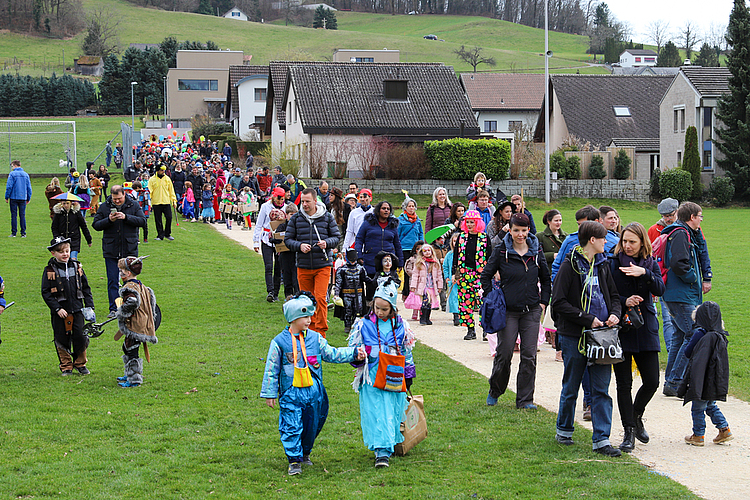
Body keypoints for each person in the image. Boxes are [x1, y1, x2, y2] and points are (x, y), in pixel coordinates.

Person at [261, 293, 365, 476]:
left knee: (312, 424)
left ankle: (305, 452)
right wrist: (270, 393)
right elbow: (271, 368)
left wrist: (353, 353)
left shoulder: (315, 339)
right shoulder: (279, 342)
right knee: (291, 424)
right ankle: (294, 459)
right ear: (293, 318)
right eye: (306, 317)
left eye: (311, 316)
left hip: (314, 392)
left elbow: (332, 353)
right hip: (291, 393)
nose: (310, 320)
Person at [552, 221, 622, 457]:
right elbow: (559, 303)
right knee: (571, 384)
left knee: (601, 388)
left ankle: (602, 439)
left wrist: (615, 313)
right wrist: (585, 318)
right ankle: (564, 430)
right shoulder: (569, 266)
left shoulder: (603, 265)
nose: (607, 242)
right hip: (575, 335)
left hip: (602, 336)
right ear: (592, 240)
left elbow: (613, 295)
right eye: (603, 238)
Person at [483, 213, 550, 409]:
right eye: (516, 230)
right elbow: (486, 276)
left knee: (529, 356)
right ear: (509, 230)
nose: (520, 234)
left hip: (531, 311)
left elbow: (546, 280)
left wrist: (543, 303)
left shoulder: (536, 252)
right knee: (504, 354)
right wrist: (492, 298)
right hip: (508, 312)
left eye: (523, 230)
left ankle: (525, 400)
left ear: (529, 230)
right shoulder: (502, 251)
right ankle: (495, 390)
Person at [348, 279, 416, 468]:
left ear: (392, 308)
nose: (379, 312)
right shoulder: (363, 325)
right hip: (371, 376)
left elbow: (406, 350)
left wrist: (408, 374)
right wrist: (358, 355)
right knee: (375, 411)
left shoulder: (401, 325)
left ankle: (388, 444)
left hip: (393, 375)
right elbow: (353, 348)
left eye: (384, 309)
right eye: (377, 307)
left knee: (391, 411)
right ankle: (381, 451)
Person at [609, 222, 665, 453]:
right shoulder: (612, 264)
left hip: (646, 327)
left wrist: (646, 274)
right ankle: (628, 430)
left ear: (642, 242)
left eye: (632, 241)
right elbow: (606, 293)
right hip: (623, 328)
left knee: (652, 381)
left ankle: (636, 414)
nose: (628, 246)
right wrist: (624, 301)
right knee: (624, 384)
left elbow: (661, 289)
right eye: (624, 241)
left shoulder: (650, 264)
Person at [662, 202, 713, 397]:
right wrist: (694, 279)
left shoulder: (686, 232)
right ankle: (675, 382)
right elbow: (679, 264)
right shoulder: (681, 234)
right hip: (681, 294)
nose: (701, 219)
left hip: (677, 293)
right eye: (700, 216)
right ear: (692, 217)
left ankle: (671, 382)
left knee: (678, 337)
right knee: (693, 333)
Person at [284, 188, 340, 337]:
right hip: (303, 265)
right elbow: (288, 240)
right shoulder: (296, 218)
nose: (304, 204)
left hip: (322, 264)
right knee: (306, 300)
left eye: (307, 201)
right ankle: (309, 330)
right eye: (302, 201)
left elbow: (336, 237)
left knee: (321, 298)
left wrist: (326, 243)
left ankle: (321, 331)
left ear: (315, 201)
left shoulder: (327, 217)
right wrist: (299, 246)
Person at [681, 301, 733, 447]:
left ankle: (698, 435)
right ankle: (724, 429)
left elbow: (687, 352)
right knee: (710, 404)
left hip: (701, 377)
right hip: (714, 378)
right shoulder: (721, 335)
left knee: (698, 407)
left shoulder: (700, 334)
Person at [41, 236, 95, 375]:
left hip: (77, 309)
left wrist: (89, 306)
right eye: (61, 252)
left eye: (67, 250)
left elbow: (86, 288)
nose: (65, 254)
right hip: (60, 311)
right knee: (61, 337)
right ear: (53, 253)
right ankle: (66, 366)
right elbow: (46, 292)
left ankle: (80, 363)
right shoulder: (49, 270)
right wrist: (57, 308)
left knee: (80, 336)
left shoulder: (77, 266)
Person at [92, 185, 147, 316]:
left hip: (129, 249)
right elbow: (96, 225)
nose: (117, 201)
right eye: (114, 199)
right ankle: (114, 308)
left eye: (119, 199)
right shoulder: (105, 206)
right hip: (111, 250)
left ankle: (131, 306)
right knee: (112, 280)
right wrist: (109, 220)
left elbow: (142, 221)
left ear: (124, 195)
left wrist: (126, 217)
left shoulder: (133, 205)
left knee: (130, 281)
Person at [115, 256, 158, 388]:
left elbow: (132, 302)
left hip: (135, 324)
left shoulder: (129, 287)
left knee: (132, 349)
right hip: (140, 322)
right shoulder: (140, 284)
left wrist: (121, 311)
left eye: (121, 270)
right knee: (127, 347)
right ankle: (129, 373)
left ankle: (134, 379)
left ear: (127, 273)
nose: (120, 273)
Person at [648, 197, 679, 355]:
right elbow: (649, 258)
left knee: (684, 319)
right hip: (662, 281)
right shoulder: (654, 230)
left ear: (677, 212)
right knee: (667, 319)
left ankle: (682, 353)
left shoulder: (687, 227)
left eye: (671, 215)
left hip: (682, 281)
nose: (668, 219)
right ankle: (672, 352)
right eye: (664, 216)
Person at [355, 200, 403, 301]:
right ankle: (370, 313)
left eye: (388, 209)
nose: (386, 211)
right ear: (378, 210)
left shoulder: (393, 226)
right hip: (370, 261)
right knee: (371, 290)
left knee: (387, 291)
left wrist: (400, 262)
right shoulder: (368, 223)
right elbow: (359, 239)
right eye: (383, 208)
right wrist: (359, 255)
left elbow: (397, 244)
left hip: (388, 263)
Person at [551, 205, 613, 280]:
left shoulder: (612, 241)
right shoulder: (570, 241)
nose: (581, 228)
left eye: (583, 224)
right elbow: (558, 266)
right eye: (579, 224)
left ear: (596, 221)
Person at [453, 210, 488, 340]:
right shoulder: (461, 237)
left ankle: (485, 330)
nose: (469, 224)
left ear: (477, 223)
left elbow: (489, 256)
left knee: (482, 301)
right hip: (464, 274)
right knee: (465, 302)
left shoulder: (484, 237)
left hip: (480, 274)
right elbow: (456, 256)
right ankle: (470, 330)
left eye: (472, 222)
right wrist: (454, 273)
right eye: (467, 222)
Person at [254, 187, 288, 302]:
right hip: (267, 239)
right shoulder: (265, 207)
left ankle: (276, 293)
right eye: (278, 198)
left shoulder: (286, 208)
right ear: (273, 196)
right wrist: (255, 241)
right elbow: (259, 224)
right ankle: (270, 291)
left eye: (281, 199)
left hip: (279, 240)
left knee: (278, 267)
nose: (279, 201)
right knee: (268, 266)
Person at [334, 249, 371, 334]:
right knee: (347, 310)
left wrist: (375, 281)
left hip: (358, 293)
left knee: (358, 309)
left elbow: (366, 279)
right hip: (346, 293)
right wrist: (336, 294)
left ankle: (355, 325)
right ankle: (347, 325)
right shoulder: (342, 270)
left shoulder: (360, 268)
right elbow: (339, 283)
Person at [398, 195, 424, 301]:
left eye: (413, 206)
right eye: (409, 206)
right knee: (407, 271)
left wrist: (422, 245)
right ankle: (406, 292)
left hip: (415, 249)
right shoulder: (400, 220)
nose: (412, 208)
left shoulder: (417, 220)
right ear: (405, 207)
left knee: (416, 271)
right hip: (404, 248)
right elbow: (398, 234)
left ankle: (414, 292)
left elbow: (420, 233)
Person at [270, 203, 299, 300]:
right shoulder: (282, 226)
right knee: (287, 278)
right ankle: (288, 297)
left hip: (295, 254)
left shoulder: (299, 227)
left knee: (296, 279)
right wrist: (274, 240)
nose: (292, 216)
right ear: (286, 215)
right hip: (284, 255)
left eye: (295, 214)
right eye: (291, 214)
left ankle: (297, 297)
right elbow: (275, 236)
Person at [410, 243, 443, 326]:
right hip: (423, 286)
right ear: (422, 253)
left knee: (430, 303)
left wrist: (440, 286)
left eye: (429, 251)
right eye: (425, 251)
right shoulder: (419, 263)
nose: (427, 252)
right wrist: (413, 286)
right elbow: (415, 275)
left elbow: (439, 275)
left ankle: (427, 317)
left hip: (432, 286)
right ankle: (422, 318)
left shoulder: (435, 263)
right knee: (424, 302)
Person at [149, 167, 177, 241]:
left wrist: (173, 200)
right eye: (161, 170)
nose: (163, 172)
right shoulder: (152, 179)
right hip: (156, 202)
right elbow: (150, 191)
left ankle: (167, 233)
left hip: (166, 201)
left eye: (164, 170)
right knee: (158, 219)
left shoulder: (167, 179)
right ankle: (160, 235)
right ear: (158, 171)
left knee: (169, 217)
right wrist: (149, 201)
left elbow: (171, 190)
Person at [5, 160, 32, 238]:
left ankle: (14, 233)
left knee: (14, 215)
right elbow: (29, 188)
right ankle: (23, 233)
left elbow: (9, 186)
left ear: (15, 165)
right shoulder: (26, 174)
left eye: (12, 166)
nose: (12, 167)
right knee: (22, 215)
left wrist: (7, 196)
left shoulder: (12, 174)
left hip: (14, 197)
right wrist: (28, 197)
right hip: (23, 197)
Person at [443, 233, 461, 326]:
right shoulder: (450, 255)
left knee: (462, 297)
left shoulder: (464, 254)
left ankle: (463, 315)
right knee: (453, 298)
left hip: (462, 279)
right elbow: (445, 266)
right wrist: (447, 276)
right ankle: (456, 315)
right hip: (452, 280)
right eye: (454, 241)